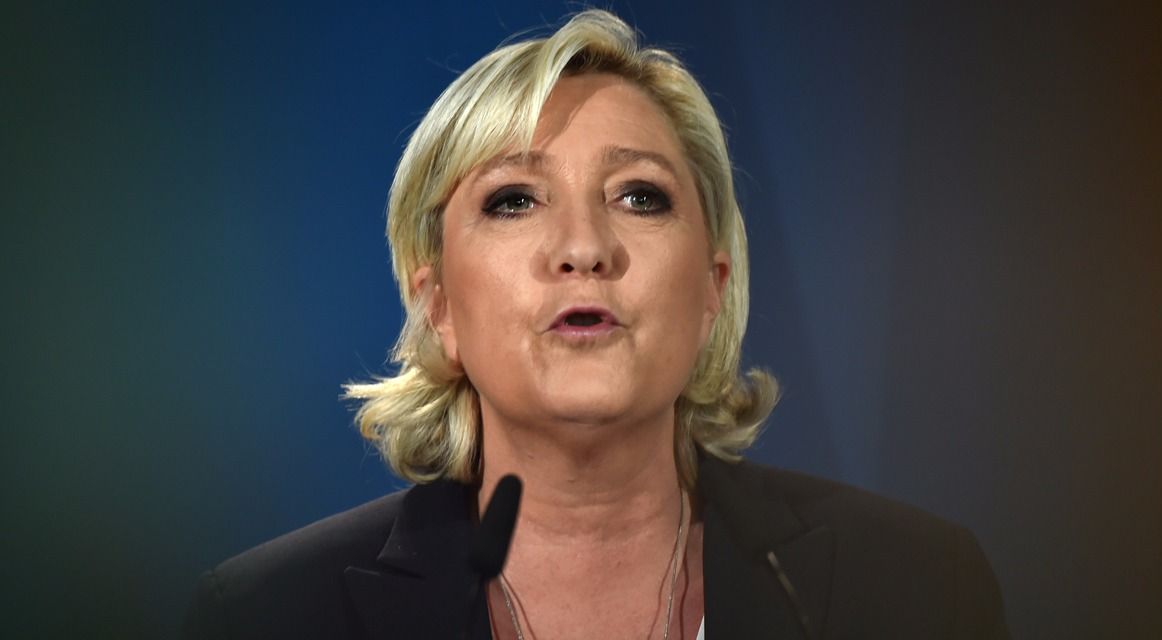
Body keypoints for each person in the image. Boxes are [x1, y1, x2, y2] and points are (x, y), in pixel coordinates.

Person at [182, 9, 1009, 640]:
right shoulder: (269, 616)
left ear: (712, 287)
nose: (584, 248)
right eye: (514, 200)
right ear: (438, 306)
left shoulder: (916, 589)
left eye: (639, 196)